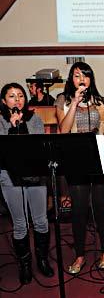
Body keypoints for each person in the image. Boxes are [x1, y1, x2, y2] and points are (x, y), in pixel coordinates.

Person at [55, 62, 104, 274]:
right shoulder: (63, 100)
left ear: (91, 79)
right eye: (76, 75)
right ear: (71, 80)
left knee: (101, 208)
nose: (81, 79)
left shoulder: (100, 102)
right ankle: (80, 255)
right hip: (76, 160)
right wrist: (74, 103)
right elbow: (63, 131)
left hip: (99, 158)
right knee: (79, 210)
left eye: (85, 75)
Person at [0, 83, 54, 284]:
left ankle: (42, 259)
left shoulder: (35, 120)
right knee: (20, 224)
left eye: (21, 95)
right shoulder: (1, 122)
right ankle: (24, 264)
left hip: (35, 176)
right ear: (4, 101)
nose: (17, 100)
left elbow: (36, 150)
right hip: (9, 177)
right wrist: (12, 127)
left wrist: (22, 126)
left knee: (40, 220)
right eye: (12, 96)